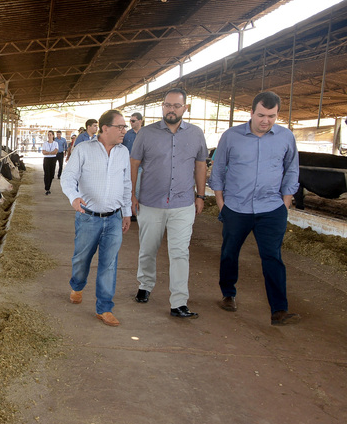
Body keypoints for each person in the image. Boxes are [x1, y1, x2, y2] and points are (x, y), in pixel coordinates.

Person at [208, 91, 301, 326]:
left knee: (272, 257)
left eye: (271, 116)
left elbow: (291, 169)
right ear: (251, 112)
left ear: (277, 114)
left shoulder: (286, 137)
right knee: (230, 252)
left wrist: (285, 204)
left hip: (271, 208)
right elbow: (218, 169)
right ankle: (228, 293)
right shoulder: (231, 136)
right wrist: (221, 203)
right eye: (261, 115)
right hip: (236, 207)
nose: (266, 121)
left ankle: (279, 310)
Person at [130, 88, 208, 319]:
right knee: (148, 248)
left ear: (185, 108)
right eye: (167, 105)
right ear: (162, 107)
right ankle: (145, 285)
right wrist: (132, 195)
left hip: (183, 204)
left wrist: (200, 196)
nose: (171, 110)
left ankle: (179, 302)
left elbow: (201, 165)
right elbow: (134, 164)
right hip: (151, 202)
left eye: (176, 106)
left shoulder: (196, 133)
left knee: (180, 253)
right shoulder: (146, 133)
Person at [61, 110, 132, 327]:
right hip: (88, 217)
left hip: (114, 218)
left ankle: (104, 308)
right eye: (120, 127)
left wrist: (126, 212)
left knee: (109, 264)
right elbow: (68, 177)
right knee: (82, 259)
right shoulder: (83, 149)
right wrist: (74, 197)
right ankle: (77, 285)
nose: (124, 131)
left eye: (125, 127)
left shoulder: (123, 152)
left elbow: (126, 183)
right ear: (105, 128)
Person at [41, 130, 59, 195]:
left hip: (53, 159)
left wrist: (48, 152)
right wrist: (51, 152)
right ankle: (47, 188)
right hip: (46, 159)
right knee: (47, 173)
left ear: (53, 136)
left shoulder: (55, 143)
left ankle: (49, 186)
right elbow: (43, 152)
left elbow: (56, 151)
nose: (49, 136)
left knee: (51, 174)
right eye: (48, 135)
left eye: (50, 135)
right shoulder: (45, 143)